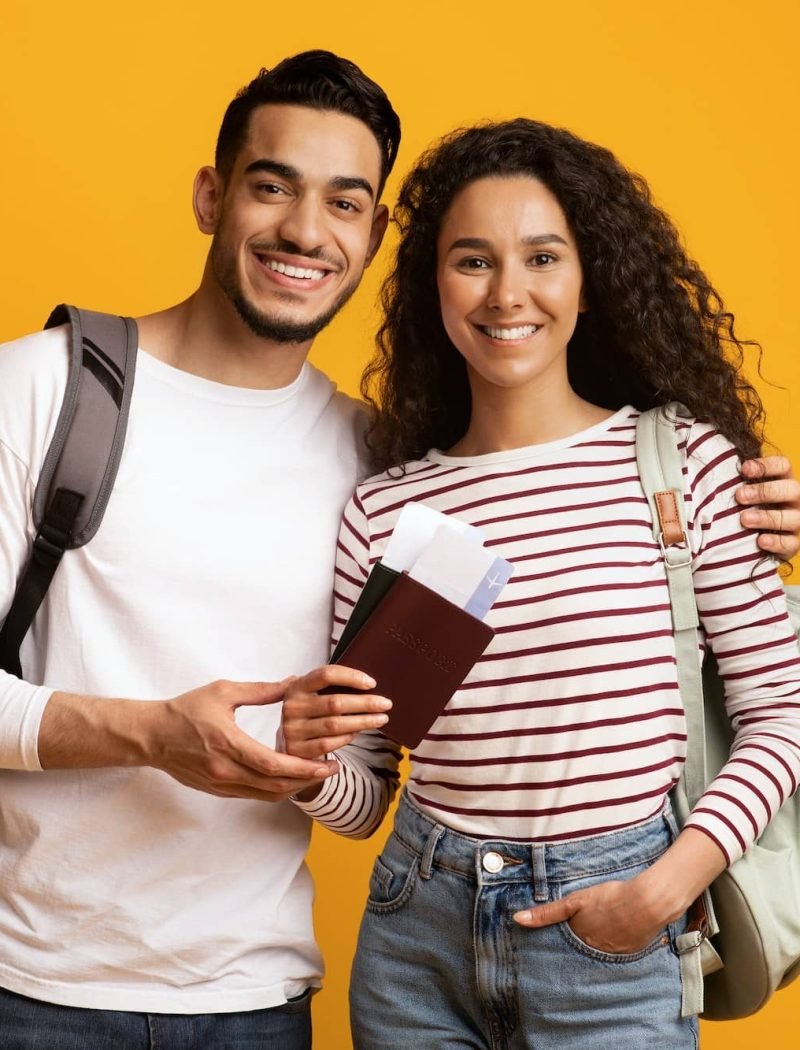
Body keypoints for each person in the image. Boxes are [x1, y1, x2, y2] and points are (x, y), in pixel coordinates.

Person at [281, 118, 800, 1048]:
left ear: (588, 277)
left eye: (543, 257)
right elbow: (367, 793)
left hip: (616, 931)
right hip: (415, 931)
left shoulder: (681, 467)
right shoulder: (385, 510)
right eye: (472, 260)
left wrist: (665, 888)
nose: (507, 293)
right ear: (431, 285)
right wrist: (303, 761)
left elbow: (784, 710)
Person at [0, 50, 400, 1049]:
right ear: (211, 196)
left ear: (375, 233)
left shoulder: (374, 465)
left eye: (344, 205)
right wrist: (152, 734)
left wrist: (306, 773)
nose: (305, 232)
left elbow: (362, 800)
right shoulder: (39, 390)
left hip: (256, 1009)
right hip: (28, 992)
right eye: (273, 188)